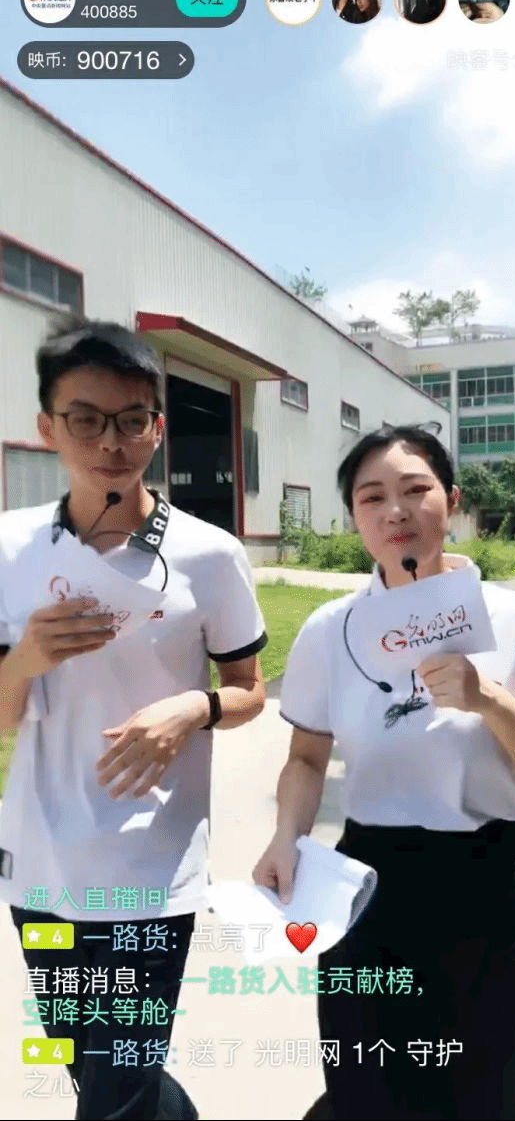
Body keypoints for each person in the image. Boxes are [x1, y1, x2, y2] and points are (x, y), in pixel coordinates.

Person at [253, 424, 515, 1121]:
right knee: (367, 1094)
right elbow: (307, 757)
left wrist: (487, 698)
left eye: (415, 490)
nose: (395, 511)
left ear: (452, 500)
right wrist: (286, 835)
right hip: (369, 887)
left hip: (486, 885)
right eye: (371, 497)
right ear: (354, 516)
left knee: (485, 1098)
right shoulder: (329, 629)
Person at [0, 319, 267, 1119]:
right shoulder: (11, 548)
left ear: (157, 426)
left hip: (151, 867)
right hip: (41, 864)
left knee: (116, 1086)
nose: (110, 441)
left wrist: (194, 706)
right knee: (94, 1068)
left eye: (131, 418)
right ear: (47, 425)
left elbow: (249, 688)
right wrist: (24, 659)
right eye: (86, 418)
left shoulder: (208, 554)